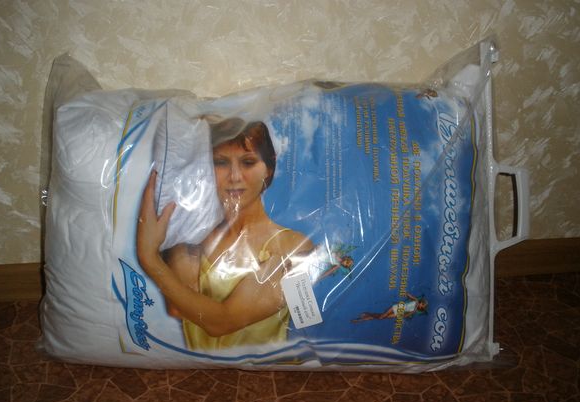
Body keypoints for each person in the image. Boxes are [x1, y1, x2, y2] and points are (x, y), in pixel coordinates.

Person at [136, 119, 313, 351]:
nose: (235, 176)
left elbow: (220, 322)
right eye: (220, 162)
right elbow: (178, 307)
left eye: (248, 162)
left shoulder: (293, 246)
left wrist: (148, 257)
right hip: (199, 371)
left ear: (269, 169)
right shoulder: (191, 240)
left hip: (269, 371)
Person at [351, 293, 428, 323]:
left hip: (398, 313)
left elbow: (405, 315)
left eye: (422, 307)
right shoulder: (416, 301)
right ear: (421, 302)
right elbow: (408, 294)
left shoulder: (414, 310)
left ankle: (361, 319)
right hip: (397, 307)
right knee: (381, 317)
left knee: (380, 317)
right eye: (423, 305)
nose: (421, 306)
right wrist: (407, 295)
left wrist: (411, 312)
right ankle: (367, 314)